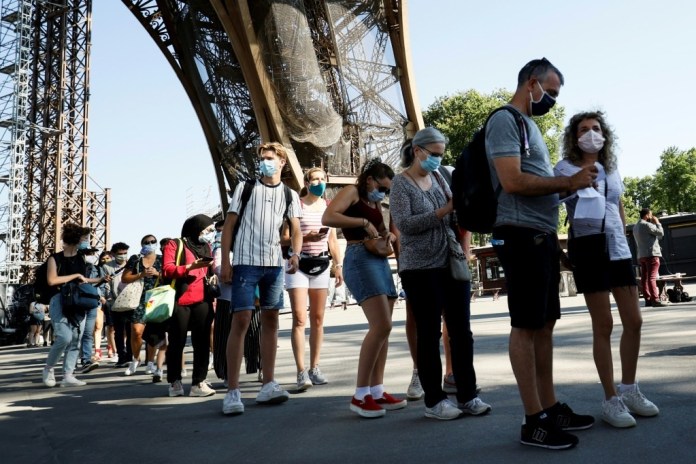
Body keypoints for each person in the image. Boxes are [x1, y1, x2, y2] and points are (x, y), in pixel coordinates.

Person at [486, 58, 596, 449]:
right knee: (527, 325)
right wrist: (567, 180)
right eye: (549, 92)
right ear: (532, 83)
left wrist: (571, 186)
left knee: (544, 323)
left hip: (540, 234)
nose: (551, 100)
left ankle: (547, 407)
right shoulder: (505, 120)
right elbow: (513, 181)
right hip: (521, 234)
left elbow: (534, 182)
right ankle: (533, 420)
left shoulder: (528, 124)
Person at [555, 111, 659, 428]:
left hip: (617, 246)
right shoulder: (565, 168)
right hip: (588, 247)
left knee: (635, 320)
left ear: (605, 134)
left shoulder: (611, 169)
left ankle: (629, 389)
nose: (591, 133)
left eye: (596, 128)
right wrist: (571, 186)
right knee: (604, 324)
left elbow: (617, 204)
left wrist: (628, 238)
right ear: (574, 137)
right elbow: (554, 202)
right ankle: (610, 399)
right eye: (584, 129)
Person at [391, 127, 491, 420]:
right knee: (429, 333)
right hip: (420, 267)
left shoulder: (439, 178)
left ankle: (467, 394)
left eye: (441, 154)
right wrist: (443, 211)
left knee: (461, 332)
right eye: (433, 154)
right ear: (418, 150)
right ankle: (434, 401)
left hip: (450, 261)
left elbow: (456, 214)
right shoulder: (400, 184)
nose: (437, 159)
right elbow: (405, 225)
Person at [219, 142, 303, 415]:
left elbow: (296, 228)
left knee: (271, 320)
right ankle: (233, 391)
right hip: (245, 262)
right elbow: (229, 225)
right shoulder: (245, 188)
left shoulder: (289, 194)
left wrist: (295, 253)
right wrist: (225, 262)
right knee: (241, 319)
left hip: (273, 265)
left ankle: (268, 383)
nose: (265, 162)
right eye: (262, 158)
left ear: (282, 162)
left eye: (270, 158)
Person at [322, 158, 406, 418]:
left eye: (387, 190)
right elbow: (328, 216)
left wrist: (388, 235)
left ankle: (377, 390)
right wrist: (361, 223)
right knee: (381, 326)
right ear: (369, 179)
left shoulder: (373, 200)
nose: (383, 193)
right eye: (381, 187)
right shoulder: (352, 192)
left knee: (384, 330)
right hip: (360, 257)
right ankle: (360, 394)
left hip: (377, 259)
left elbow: (379, 229)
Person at [282, 167, 344, 391]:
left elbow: (333, 240)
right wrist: (308, 237)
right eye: (314, 179)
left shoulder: (328, 207)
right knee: (300, 318)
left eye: (322, 179)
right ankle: (300, 371)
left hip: (321, 263)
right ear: (306, 183)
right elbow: (284, 238)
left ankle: (314, 367)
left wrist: (338, 265)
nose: (319, 182)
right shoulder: (296, 205)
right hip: (298, 264)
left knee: (318, 319)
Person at [42, 223, 110, 388]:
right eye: (84, 238)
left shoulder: (81, 258)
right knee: (64, 337)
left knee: (76, 338)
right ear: (75, 239)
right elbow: (52, 280)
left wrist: (100, 280)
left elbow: (82, 280)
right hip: (59, 299)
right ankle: (49, 368)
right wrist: (76, 275)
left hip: (77, 299)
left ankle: (68, 375)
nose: (86, 241)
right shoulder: (55, 258)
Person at [162, 215, 217, 397]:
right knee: (177, 342)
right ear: (196, 227)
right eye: (206, 229)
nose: (208, 233)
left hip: (203, 299)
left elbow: (208, 270)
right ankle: (174, 381)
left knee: (202, 343)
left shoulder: (206, 246)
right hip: (180, 300)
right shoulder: (175, 244)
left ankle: (198, 383)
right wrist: (188, 268)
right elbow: (167, 269)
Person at [120, 235, 163, 377]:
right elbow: (124, 278)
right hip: (138, 298)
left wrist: (157, 273)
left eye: (152, 242)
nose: (150, 244)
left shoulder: (162, 259)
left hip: (156, 298)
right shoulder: (135, 259)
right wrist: (141, 274)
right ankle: (135, 359)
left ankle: (150, 361)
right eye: (146, 242)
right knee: (136, 330)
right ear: (141, 244)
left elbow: (169, 277)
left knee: (153, 332)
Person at [77, 247, 107, 373]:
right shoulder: (75, 268)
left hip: (92, 302)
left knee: (88, 333)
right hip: (78, 302)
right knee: (77, 334)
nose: (92, 255)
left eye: (94, 253)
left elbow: (100, 285)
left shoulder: (97, 269)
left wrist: (101, 290)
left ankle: (86, 360)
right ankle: (72, 362)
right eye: (89, 253)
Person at [103, 242, 132, 367]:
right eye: (120, 254)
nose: (123, 256)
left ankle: (130, 356)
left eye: (125, 253)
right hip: (115, 302)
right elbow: (105, 284)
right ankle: (121, 356)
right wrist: (109, 298)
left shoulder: (131, 265)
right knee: (118, 331)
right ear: (114, 254)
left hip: (131, 301)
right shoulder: (106, 267)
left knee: (131, 331)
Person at [633, 208, 667, 307]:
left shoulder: (636, 226)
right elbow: (661, 233)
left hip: (641, 255)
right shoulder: (647, 225)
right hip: (651, 254)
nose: (651, 217)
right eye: (650, 215)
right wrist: (657, 222)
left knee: (644, 278)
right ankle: (655, 300)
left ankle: (648, 299)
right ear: (647, 215)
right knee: (652, 278)